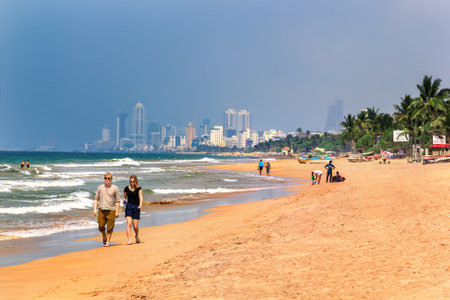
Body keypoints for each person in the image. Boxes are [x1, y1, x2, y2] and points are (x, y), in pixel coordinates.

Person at [93, 173, 120, 247]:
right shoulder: (100, 187)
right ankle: (104, 235)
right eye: (106, 178)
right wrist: (94, 209)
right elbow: (96, 199)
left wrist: (117, 211)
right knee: (101, 226)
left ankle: (108, 242)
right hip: (101, 210)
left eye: (109, 178)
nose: (107, 180)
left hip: (111, 210)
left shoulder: (115, 188)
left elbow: (118, 201)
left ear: (111, 179)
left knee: (110, 227)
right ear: (104, 179)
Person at [123, 175, 143, 245]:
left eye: (133, 181)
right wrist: (124, 204)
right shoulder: (126, 188)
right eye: (130, 181)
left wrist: (140, 205)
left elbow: (141, 198)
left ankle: (136, 236)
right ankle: (129, 240)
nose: (131, 182)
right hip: (128, 207)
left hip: (136, 207)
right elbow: (124, 197)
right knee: (128, 223)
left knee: (135, 226)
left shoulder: (139, 189)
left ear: (135, 182)